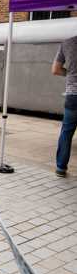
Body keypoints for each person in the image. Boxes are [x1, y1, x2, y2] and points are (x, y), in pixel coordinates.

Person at [52, 36, 77, 178]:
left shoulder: (67, 43)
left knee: (66, 133)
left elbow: (55, 69)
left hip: (73, 95)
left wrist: (70, 74)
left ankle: (61, 168)